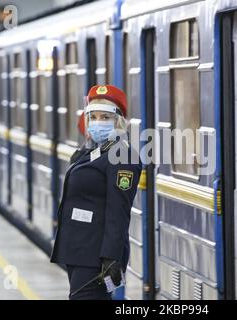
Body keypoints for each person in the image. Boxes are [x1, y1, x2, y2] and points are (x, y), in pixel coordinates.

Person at [50, 85, 142, 300]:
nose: (98, 122)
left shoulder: (122, 156)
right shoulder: (95, 152)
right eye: (93, 117)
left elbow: (118, 212)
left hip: (96, 255)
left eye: (105, 117)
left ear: (118, 122)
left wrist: (111, 257)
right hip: (78, 250)